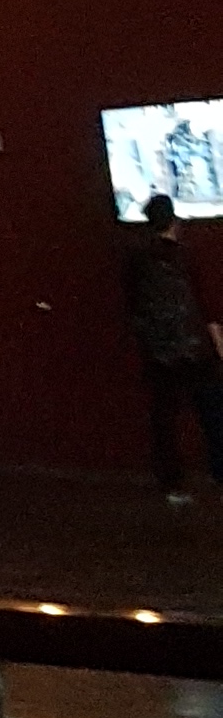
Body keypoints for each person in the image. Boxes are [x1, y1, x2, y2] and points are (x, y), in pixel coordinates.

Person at [121, 193, 223, 503]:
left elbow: (133, 307)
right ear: (174, 222)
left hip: (158, 353)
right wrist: (218, 345)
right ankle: (220, 471)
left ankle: (172, 484)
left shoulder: (134, 259)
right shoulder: (185, 256)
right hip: (194, 347)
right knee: (212, 411)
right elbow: (203, 305)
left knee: (164, 418)